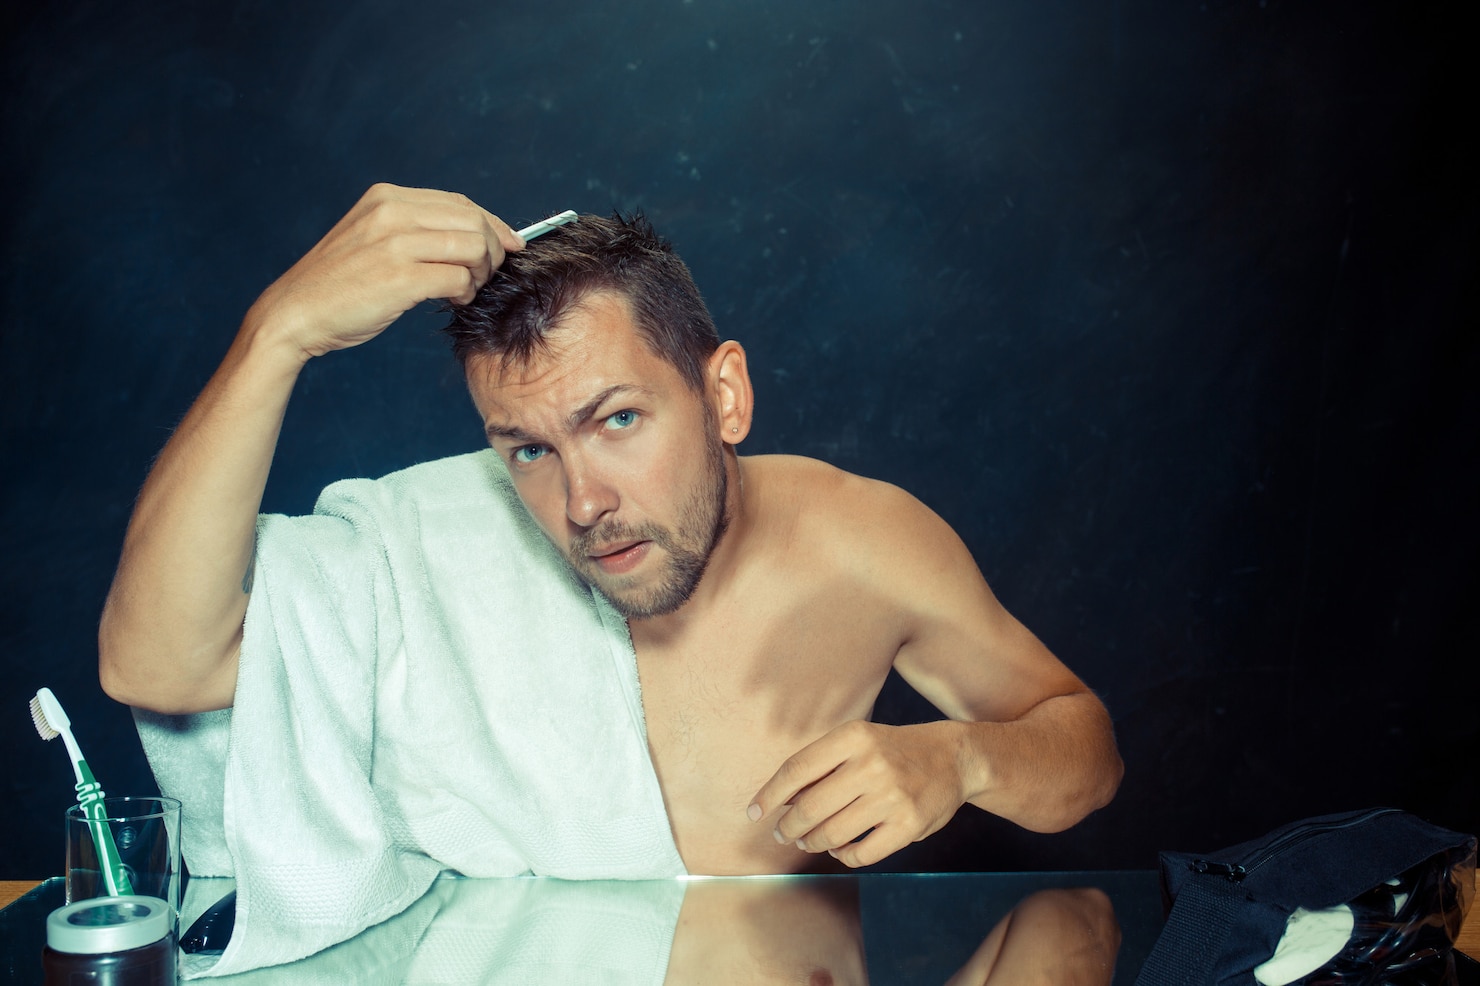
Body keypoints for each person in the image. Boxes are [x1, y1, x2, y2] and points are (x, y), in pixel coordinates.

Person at [100, 183, 1122, 880]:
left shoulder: (862, 541)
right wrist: (279, 330)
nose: (581, 501)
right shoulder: (441, 539)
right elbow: (156, 662)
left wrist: (959, 760)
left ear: (724, 392)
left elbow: (1083, 747)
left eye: (618, 419)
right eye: (529, 450)